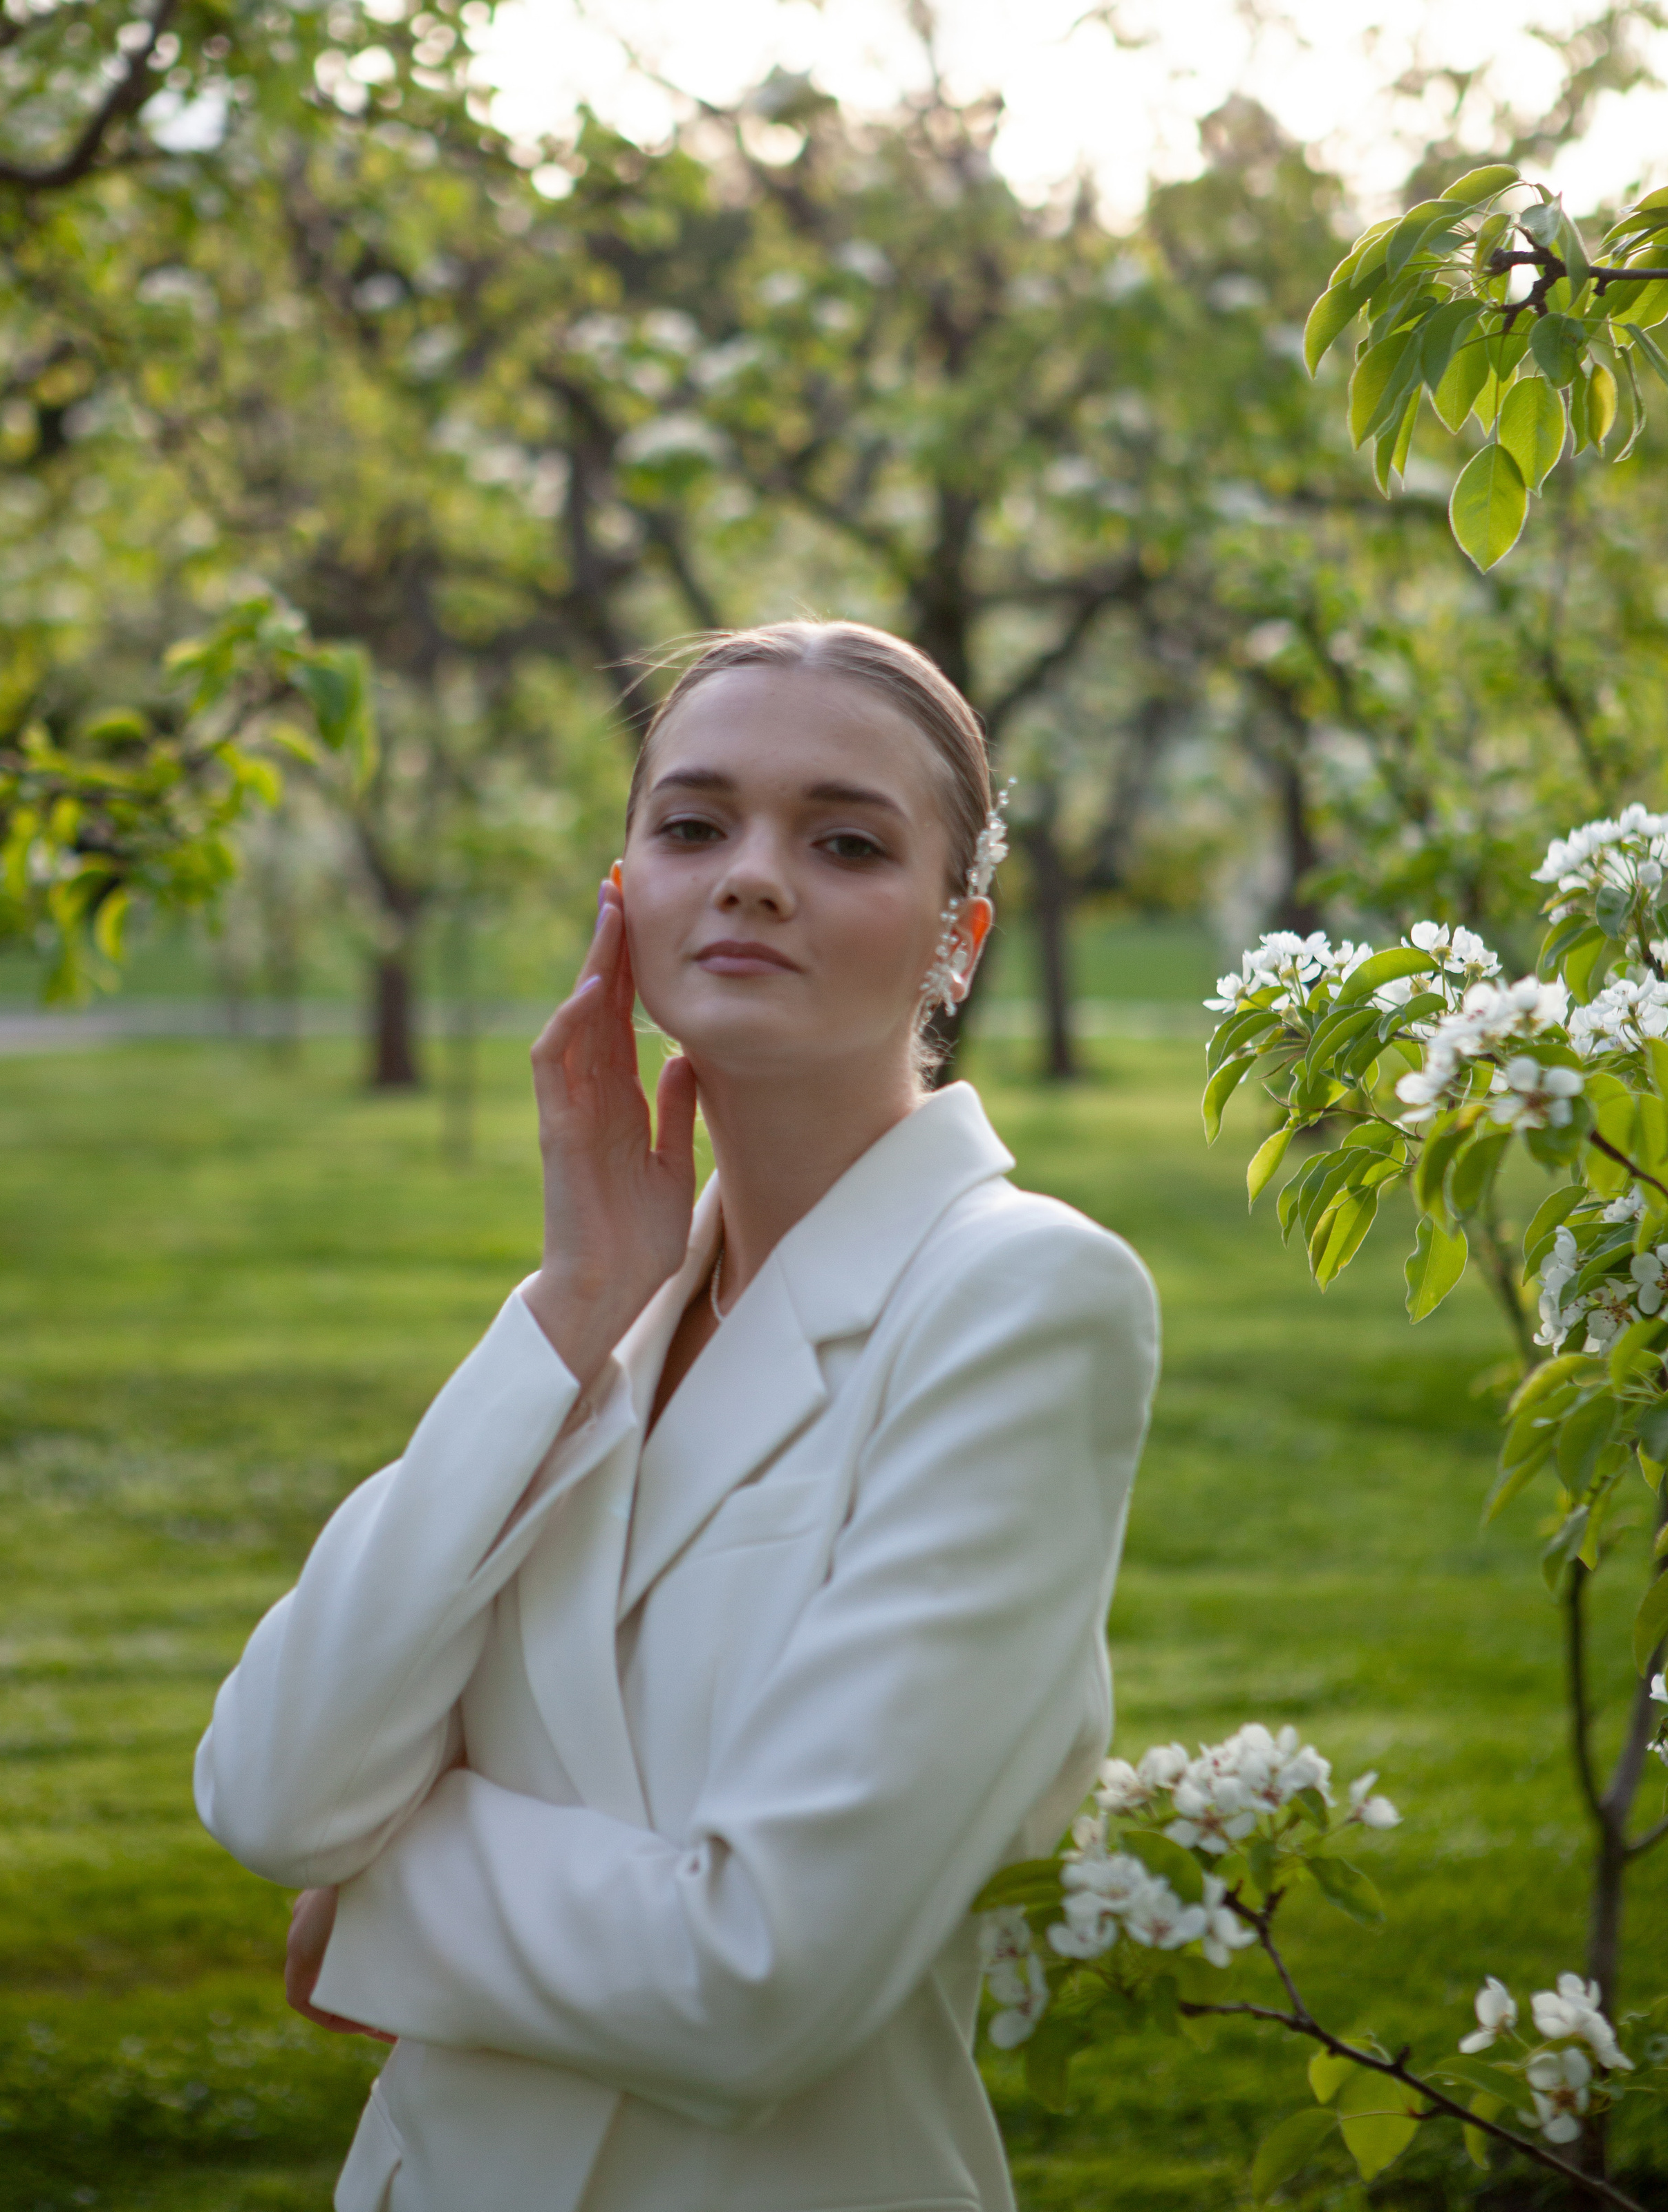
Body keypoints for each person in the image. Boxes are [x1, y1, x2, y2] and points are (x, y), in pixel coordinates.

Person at [194, 619, 1160, 2212]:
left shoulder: (1020, 1300)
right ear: (622, 890)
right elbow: (274, 1792)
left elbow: (758, 1974)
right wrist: (575, 1301)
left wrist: (373, 1900)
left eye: (843, 840)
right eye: (693, 824)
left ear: (957, 938)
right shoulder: (612, 1305)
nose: (755, 875)